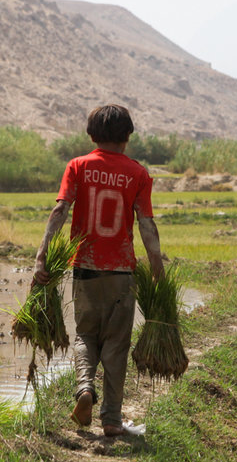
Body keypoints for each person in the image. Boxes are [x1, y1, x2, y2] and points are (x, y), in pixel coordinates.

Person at [33, 104, 164, 437]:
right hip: (121, 271)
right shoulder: (138, 173)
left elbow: (59, 211)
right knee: (116, 345)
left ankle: (84, 390)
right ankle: (111, 420)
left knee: (85, 335)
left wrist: (41, 256)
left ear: (91, 135)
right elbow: (146, 224)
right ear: (128, 137)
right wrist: (157, 266)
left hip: (84, 267)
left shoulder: (78, 166)